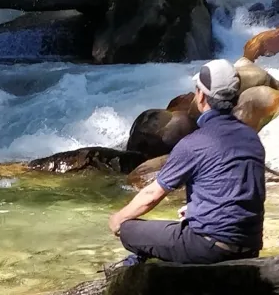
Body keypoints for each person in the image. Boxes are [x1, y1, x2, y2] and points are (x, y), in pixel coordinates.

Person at [109, 58, 265, 263]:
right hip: (250, 246)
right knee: (180, 223)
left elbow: (151, 195)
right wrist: (198, 209)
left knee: (129, 230)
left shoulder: (195, 143)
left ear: (201, 97)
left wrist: (118, 219)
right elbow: (243, 193)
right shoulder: (251, 137)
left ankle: (138, 272)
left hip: (210, 248)